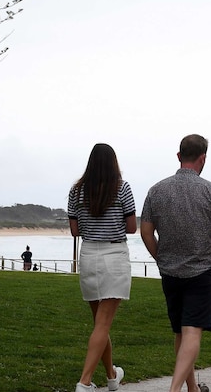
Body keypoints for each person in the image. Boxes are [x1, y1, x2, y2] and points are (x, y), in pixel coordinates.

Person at [140, 134, 211, 392]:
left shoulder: (156, 190)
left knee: (181, 333)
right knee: (192, 332)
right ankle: (174, 390)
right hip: (202, 272)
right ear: (203, 158)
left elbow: (146, 232)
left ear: (179, 156)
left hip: (170, 273)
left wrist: (160, 257)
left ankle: (192, 388)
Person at [68, 143, 137, 392]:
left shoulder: (76, 191)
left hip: (88, 255)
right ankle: (84, 382)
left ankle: (111, 377)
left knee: (99, 322)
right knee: (103, 323)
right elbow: (131, 227)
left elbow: (75, 230)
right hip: (114, 254)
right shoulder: (122, 188)